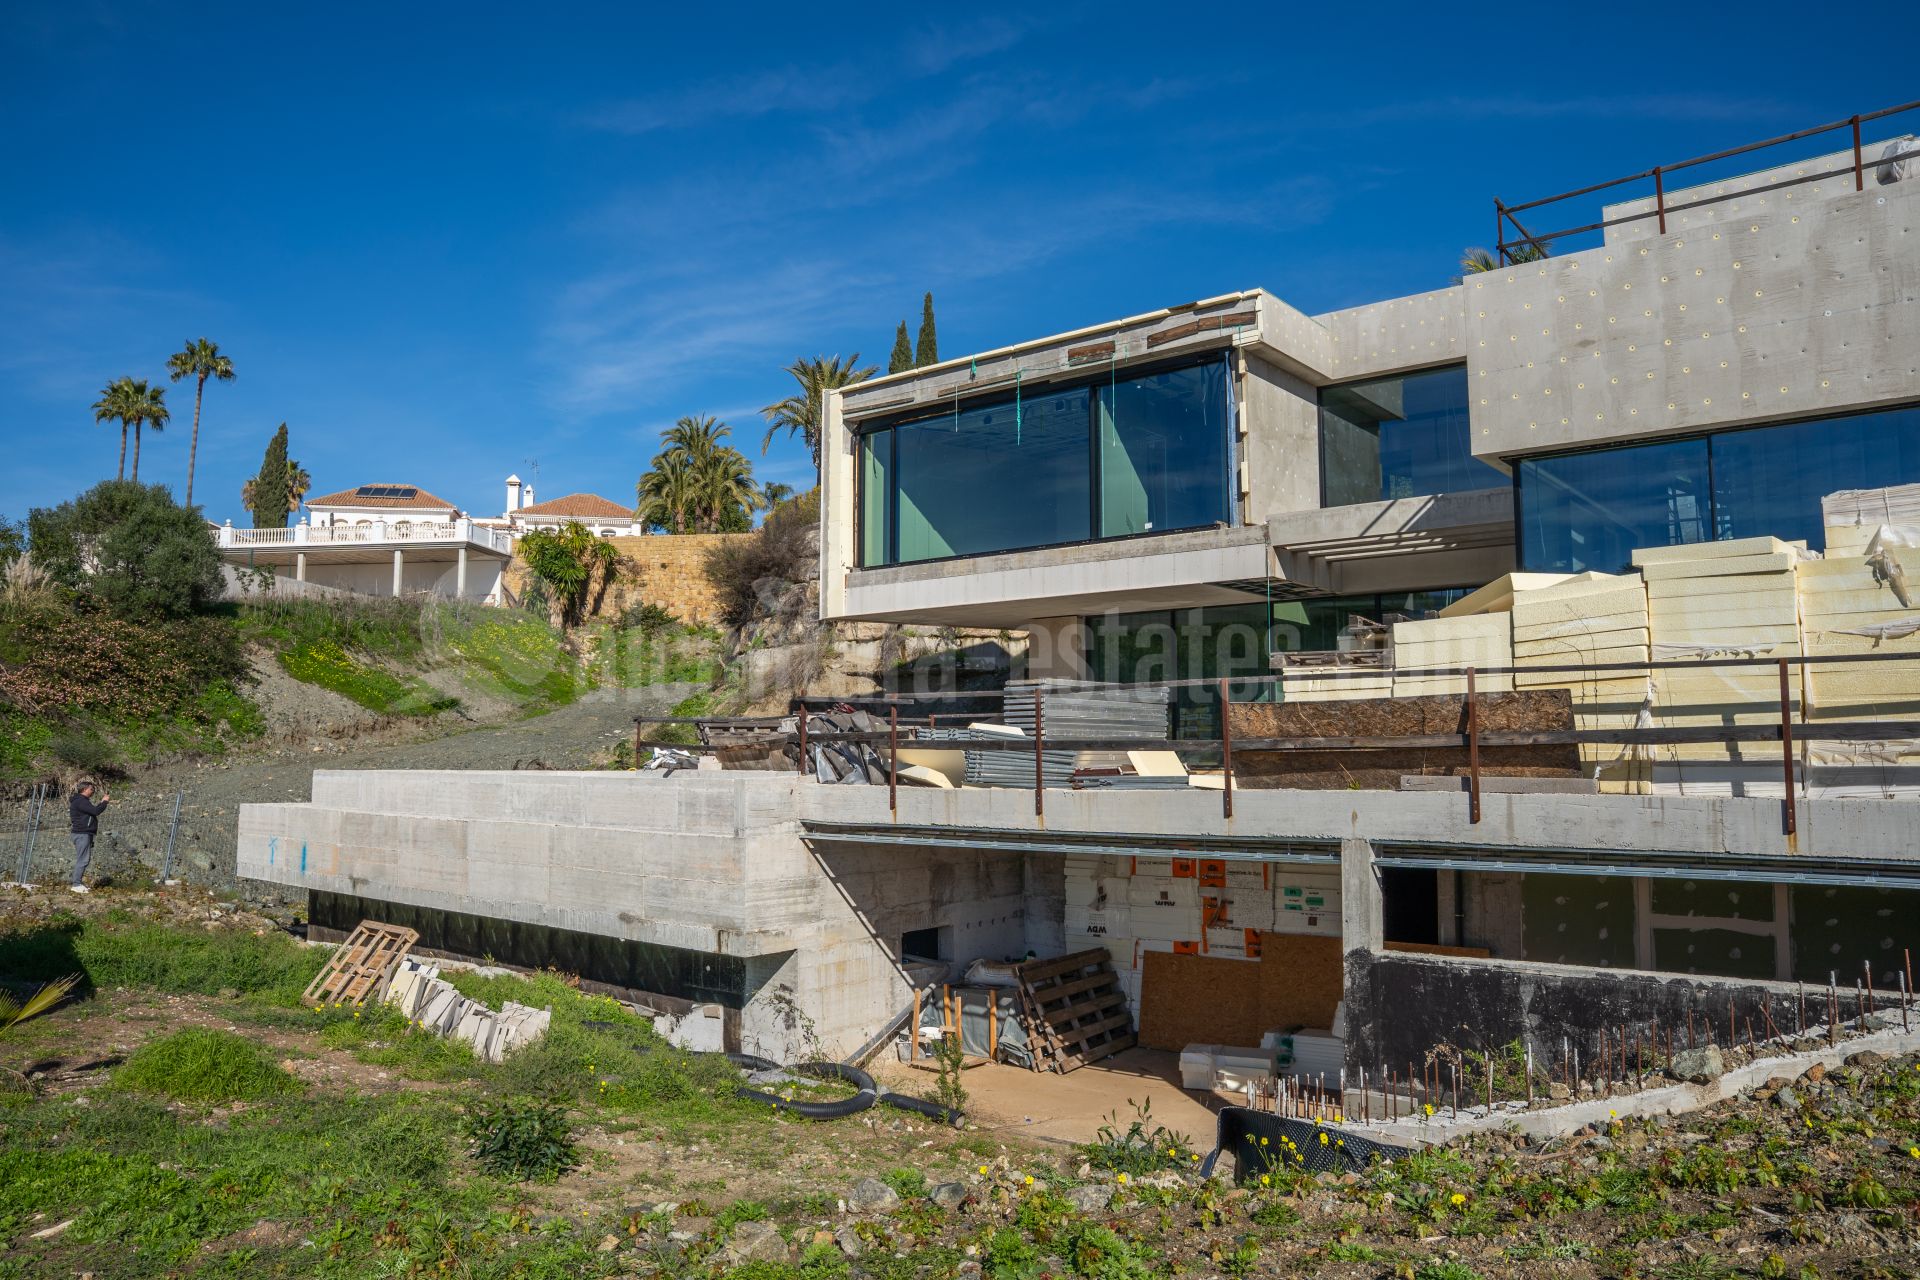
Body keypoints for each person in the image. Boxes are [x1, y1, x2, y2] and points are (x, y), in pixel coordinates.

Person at [68, 779, 110, 893]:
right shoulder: (81, 801)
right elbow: (96, 811)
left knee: (83, 859)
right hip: (82, 834)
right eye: (91, 789)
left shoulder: (81, 801)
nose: (93, 791)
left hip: (83, 833)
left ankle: (78, 883)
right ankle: (76, 885)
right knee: (83, 859)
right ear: (85, 789)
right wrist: (104, 802)